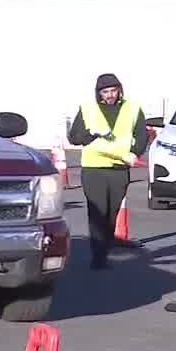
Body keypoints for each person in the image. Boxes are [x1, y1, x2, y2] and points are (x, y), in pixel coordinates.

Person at [67, 73, 149, 269]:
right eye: (105, 92)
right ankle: (98, 257)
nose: (110, 95)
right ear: (99, 93)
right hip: (94, 168)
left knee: (111, 213)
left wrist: (134, 153)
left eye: (113, 90)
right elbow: (75, 137)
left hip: (119, 169)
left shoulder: (132, 108)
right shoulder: (87, 109)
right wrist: (93, 133)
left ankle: (106, 244)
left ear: (119, 90)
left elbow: (141, 134)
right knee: (97, 213)